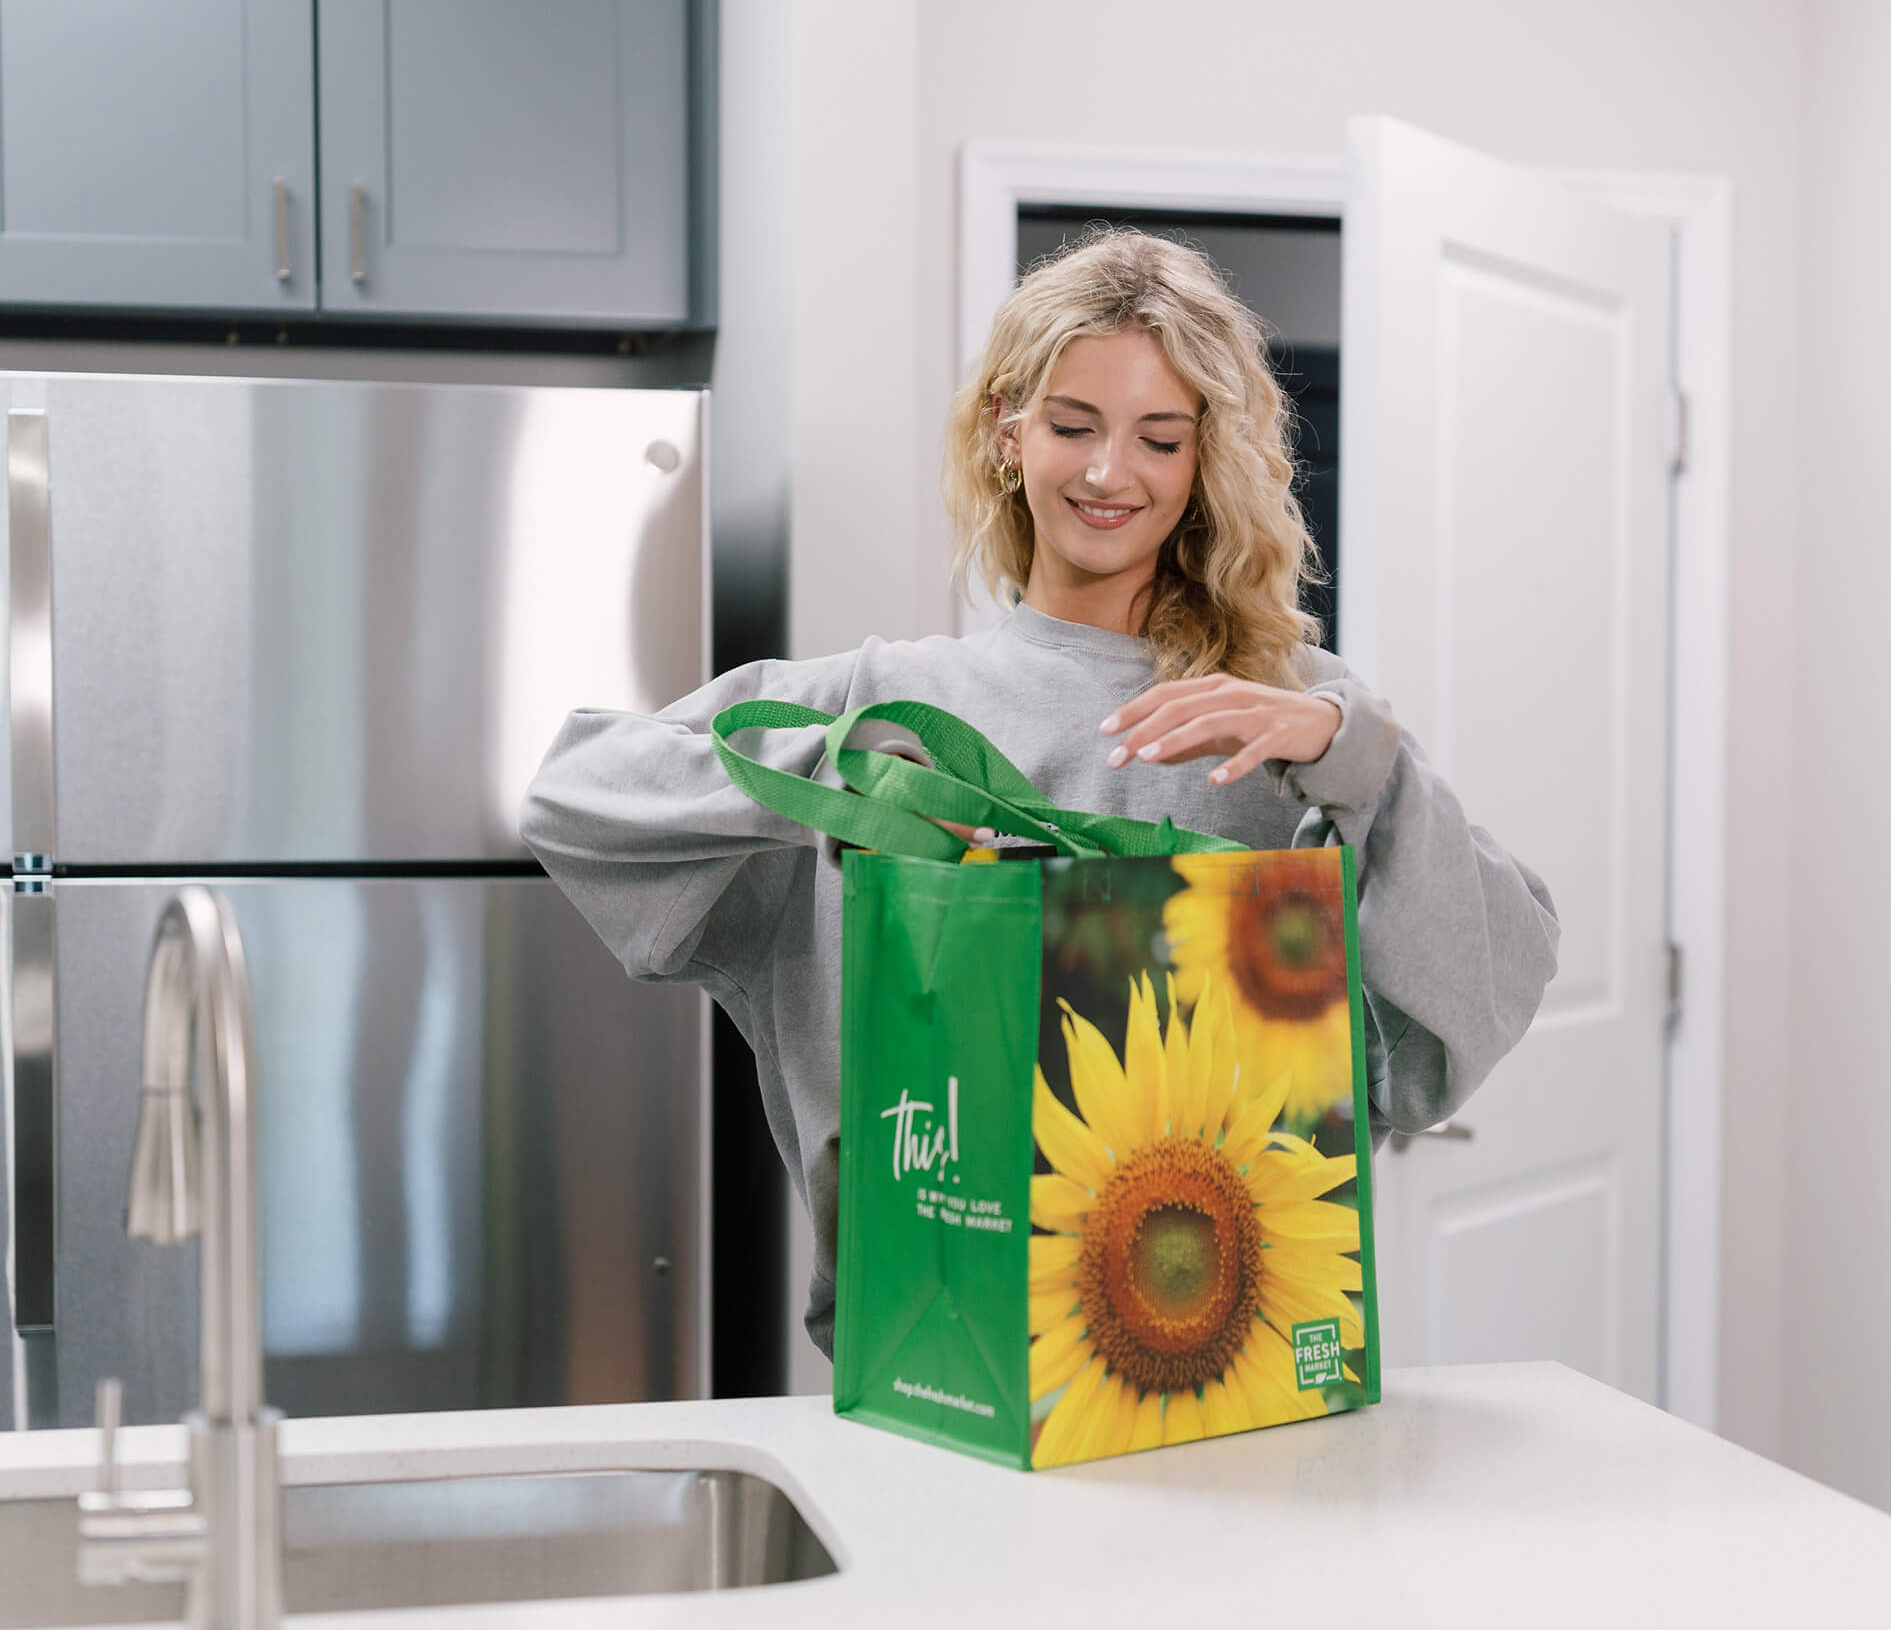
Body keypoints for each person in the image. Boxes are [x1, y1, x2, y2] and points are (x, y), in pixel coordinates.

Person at [522, 231, 1558, 1361]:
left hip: (1229, 1358)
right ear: (1007, 434)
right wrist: (833, 783)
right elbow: (574, 794)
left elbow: (1496, 969)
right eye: (1073, 425)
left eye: (1159, 438)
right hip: (934, 1352)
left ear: (1203, 462)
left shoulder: (1290, 715)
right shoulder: (889, 698)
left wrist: (1361, 760)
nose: (1111, 473)